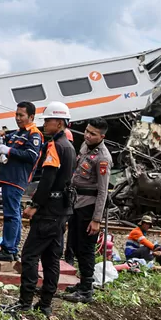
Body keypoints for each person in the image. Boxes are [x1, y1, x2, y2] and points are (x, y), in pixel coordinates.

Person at [11, 102, 76, 317]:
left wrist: (34, 205)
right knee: (51, 258)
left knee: (30, 255)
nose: (45, 124)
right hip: (61, 210)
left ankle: (25, 302)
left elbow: (48, 179)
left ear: (58, 122)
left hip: (49, 210)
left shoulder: (55, 146)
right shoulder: (70, 146)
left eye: (47, 120)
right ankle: (46, 303)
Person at [0, 101, 43, 262]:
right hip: (8, 177)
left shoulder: (34, 134)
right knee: (14, 213)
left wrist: (8, 151)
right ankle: (11, 248)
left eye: (21, 115)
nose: (17, 118)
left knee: (11, 215)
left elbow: (31, 156)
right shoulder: (20, 132)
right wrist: (1, 136)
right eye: (16, 114)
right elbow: (6, 137)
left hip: (16, 179)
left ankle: (9, 249)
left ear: (31, 117)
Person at [63, 118, 113, 303]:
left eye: (93, 134)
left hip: (89, 207)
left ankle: (86, 290)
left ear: (102, 136)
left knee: (86, 249)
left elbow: (102, 191)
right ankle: (83, 283)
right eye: (86, 131)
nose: (87, 135)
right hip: (77, 203)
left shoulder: (103, 158)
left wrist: (96, 219)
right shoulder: (85, 145)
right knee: (75, 245)